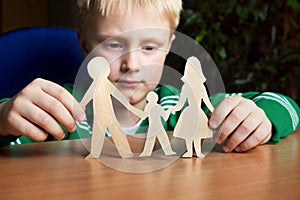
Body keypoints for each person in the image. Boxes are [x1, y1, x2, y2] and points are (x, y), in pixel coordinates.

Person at [0, 0, 299, 155]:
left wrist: (260, 116)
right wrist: (2, 117)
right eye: (113, 44)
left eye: (149, 47)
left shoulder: (181, 107)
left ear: (169, 47)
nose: (132, 63)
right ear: (84, 44)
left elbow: (287, 106)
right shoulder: (59, 113)